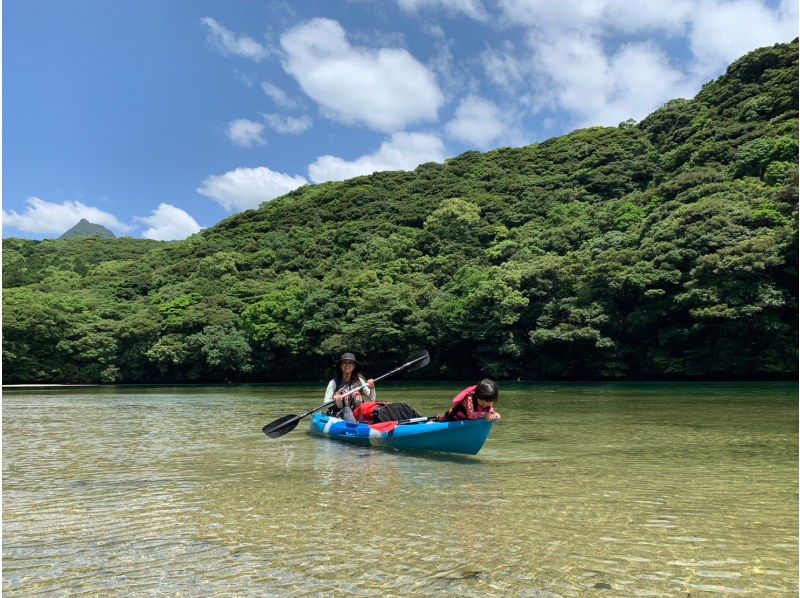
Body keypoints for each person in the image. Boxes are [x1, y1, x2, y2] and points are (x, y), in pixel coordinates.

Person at [323, 353, 375, 422]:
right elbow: (326, 402)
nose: (347, 365)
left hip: (357, 412)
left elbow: (371, 400)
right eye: (344, 362)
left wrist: (372, 388)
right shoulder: (333, 382)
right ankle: (354, 424)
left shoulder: (359, 380)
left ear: (354, 366)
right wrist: (336, 401)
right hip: (340, 413)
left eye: (350, 363)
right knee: (347, 409)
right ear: (341, 365)